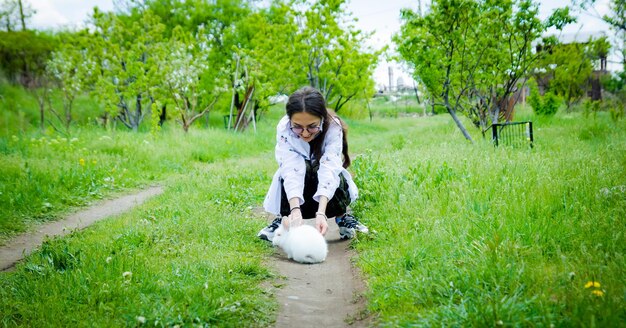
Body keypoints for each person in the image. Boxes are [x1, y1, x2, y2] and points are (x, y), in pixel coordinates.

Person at [258, 86, 368, 241]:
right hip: (298, 186)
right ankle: (284, 218)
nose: (304, 133)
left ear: (322, 118)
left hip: (325, 187)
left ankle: (342, 217)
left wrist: (321, 212)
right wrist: (295, 210)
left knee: (331, 171)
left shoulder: (333, 127)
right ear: (290, 120)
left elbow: (329, 169)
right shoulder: (284, 128)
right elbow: (291, 168)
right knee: (286, 172)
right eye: (297, 127)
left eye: (312, 126)